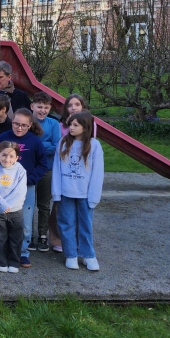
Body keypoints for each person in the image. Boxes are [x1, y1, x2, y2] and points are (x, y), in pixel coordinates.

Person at [51, 111, 104, 271]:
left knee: (85, 225)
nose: (71, 128)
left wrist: (94, 196)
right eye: (70, 125)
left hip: (85, 194)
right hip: (66, 192)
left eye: (75, 125)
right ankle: (71, 255)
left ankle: (88, 255)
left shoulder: (94, 145)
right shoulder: (63, 143)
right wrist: (56, 192)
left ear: (85, 127)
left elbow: (97, 173)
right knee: (66, 223)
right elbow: (57, 168)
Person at [0, 108, 47, 268]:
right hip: (4, 185)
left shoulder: (35, 141)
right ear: (12, 122)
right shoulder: (3, 137)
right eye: (16, 124)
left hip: (26, 187)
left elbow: (42, 164)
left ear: (30, 125)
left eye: (24, 125)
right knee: (2, 220)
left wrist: (30, 179)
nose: (19, 128)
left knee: (24, 221)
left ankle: (23, 252)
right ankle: (3, 251)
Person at [48, 94, 97, 252]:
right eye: (70, 105)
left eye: (77, 104)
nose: (73, 108)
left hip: (80, 175)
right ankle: (58, 239)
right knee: (60, 210)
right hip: (64, 171)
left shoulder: (90, 124)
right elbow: (60, 144)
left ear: (83, 106)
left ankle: (77, 243)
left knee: (81, 214)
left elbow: (90, 145)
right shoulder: (61, 125)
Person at [0, 142, 27, 273]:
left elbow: (20, 191)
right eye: (4, 155)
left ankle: (14, 262)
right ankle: (1, 261)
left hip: (16, 211)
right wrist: (1, 205)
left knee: (16, 237)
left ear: (16, 158)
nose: (7, 159)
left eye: (11, 156)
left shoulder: (21, 171)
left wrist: (7, 205)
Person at [31, 92, 61, 253]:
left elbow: (57, 146)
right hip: (29, 169)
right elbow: (25, 144)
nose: (42, 110)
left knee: (43, 204)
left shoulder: (54, 124)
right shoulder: (27, 121)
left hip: (47, 169)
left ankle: (42, 234)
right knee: (27, 204)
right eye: (39, 106)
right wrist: (45, 145)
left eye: (46, 107)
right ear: (32, 106)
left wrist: (37, 147)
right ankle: (28, 234)